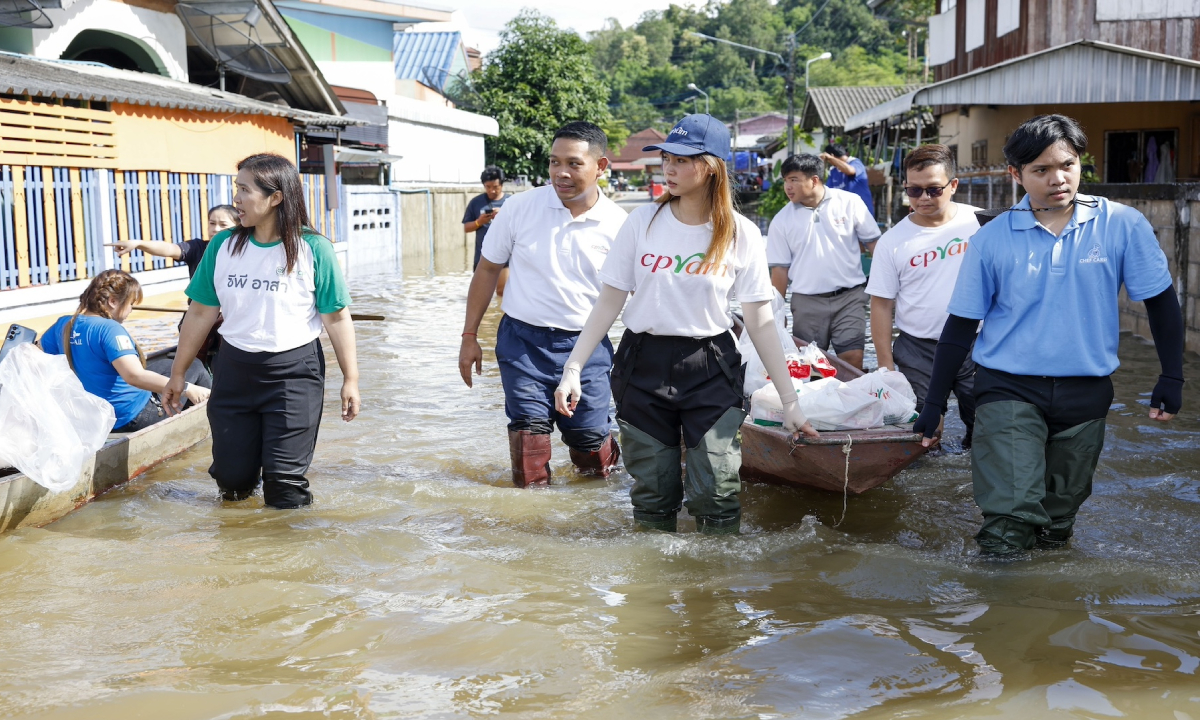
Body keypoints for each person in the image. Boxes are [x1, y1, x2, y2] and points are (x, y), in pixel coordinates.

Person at [913, 115, 1184, 556]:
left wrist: (1172, 376)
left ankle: (1048, 616)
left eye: (1068, 165)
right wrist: (933, 405)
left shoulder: (1121, 224)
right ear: (1016, 175)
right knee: (1008, 523)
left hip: (1087, 391)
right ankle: (999, 615)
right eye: (1041, 170)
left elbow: (1159, 301)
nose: (1058, 179)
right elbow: (961, 326)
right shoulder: (992, 238)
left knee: (1057, 525)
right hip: (1007, 388)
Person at [553, 114, 818, 535]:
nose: (668, 169)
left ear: (711, 165)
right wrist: (573, 370)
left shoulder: (741, 233)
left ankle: (713, 592)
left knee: (716, 491)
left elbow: (761, 320)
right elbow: (609, 300)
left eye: (681, 160)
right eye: (665, 159)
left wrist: (789, 402)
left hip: (710, 365)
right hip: (643, 363)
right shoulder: (643, 222)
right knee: (654, 494)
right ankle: (651, 591)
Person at [163, 153, 360, 509]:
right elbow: (200, 313)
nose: (235, 199)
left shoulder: (314, 248)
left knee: (284, 484)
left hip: (295, 374)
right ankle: (239, 553)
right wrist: (177, 373)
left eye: (244, 190)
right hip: (234, 371)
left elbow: (336, 318)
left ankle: (288, 557)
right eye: (236, 189)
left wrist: (351, 379)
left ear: (276, 197)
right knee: (232, 481)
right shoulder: (223, 246)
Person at [458, 122, 628, 488]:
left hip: (587, 346)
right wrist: (470, 335)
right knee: (528, 441)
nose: (560, 173)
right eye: (553, 162)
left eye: (573, 163)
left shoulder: (620, 225)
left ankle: (594, 518)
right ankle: (530, 526)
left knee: (589, 447)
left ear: (601, 167)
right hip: (522, 344)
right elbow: (487, 270)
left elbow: (633, 296)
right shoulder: (520, 208)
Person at [867, 144, 981, 449]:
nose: (923, 199)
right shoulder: (892, 241)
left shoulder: (980, 223)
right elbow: (880, 304)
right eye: (914, 191)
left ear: (953, 185)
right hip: (919, 349)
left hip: (978, 343)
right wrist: (885, 365)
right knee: (926, 433)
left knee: (984, 425)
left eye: (933, 189)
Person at [40, 270, 211, 433]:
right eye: (130, 304)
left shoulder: (63, 324)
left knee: (170, 365)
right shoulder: (109, 330)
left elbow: (35, 351)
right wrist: (189, 389)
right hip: (131, 418)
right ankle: (208, 422)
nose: (131, 310)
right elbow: (134, 376)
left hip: (95, 416)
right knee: (194, 366)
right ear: (113, 301)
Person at [766, 153, 880, 370]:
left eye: (794, 180)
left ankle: (851, 402)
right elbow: (779, 271)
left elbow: (874, 244)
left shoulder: (849, 202)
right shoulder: (781, 220)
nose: (788, 187)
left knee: (853, 358)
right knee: (812, 366)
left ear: (814, 180)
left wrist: (886, 288)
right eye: (785, 181)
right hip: (807, 302)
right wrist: (776, 311)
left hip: (850, 297)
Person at [105, 205, 238, 278]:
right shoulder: (197, 248)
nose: (215, 229)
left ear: (238, 227)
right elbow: (169, 249)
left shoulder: (246, 250)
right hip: (199, 314)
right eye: (212, 223)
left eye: (223, 225)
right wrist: (138, 243)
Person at [464, 167, 511, 299]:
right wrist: (479, 222)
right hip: (482, 257)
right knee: (481, 295)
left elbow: (523, 228)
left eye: (495, 186)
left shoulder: (511, 203)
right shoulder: (475, 203)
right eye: (488, 186)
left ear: (502, 184)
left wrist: (503, 215)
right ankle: (486, 319)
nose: (492, 190)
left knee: (503, 293)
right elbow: (466, 228)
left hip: (506, 256)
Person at [821, 143, 875, 218]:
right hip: (844, 214)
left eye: (829, 160)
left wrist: (830, 158)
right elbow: (827, 191)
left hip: (861, 211)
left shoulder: (855, 162)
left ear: (832, 156)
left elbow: (850, 171)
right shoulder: (833, 171)